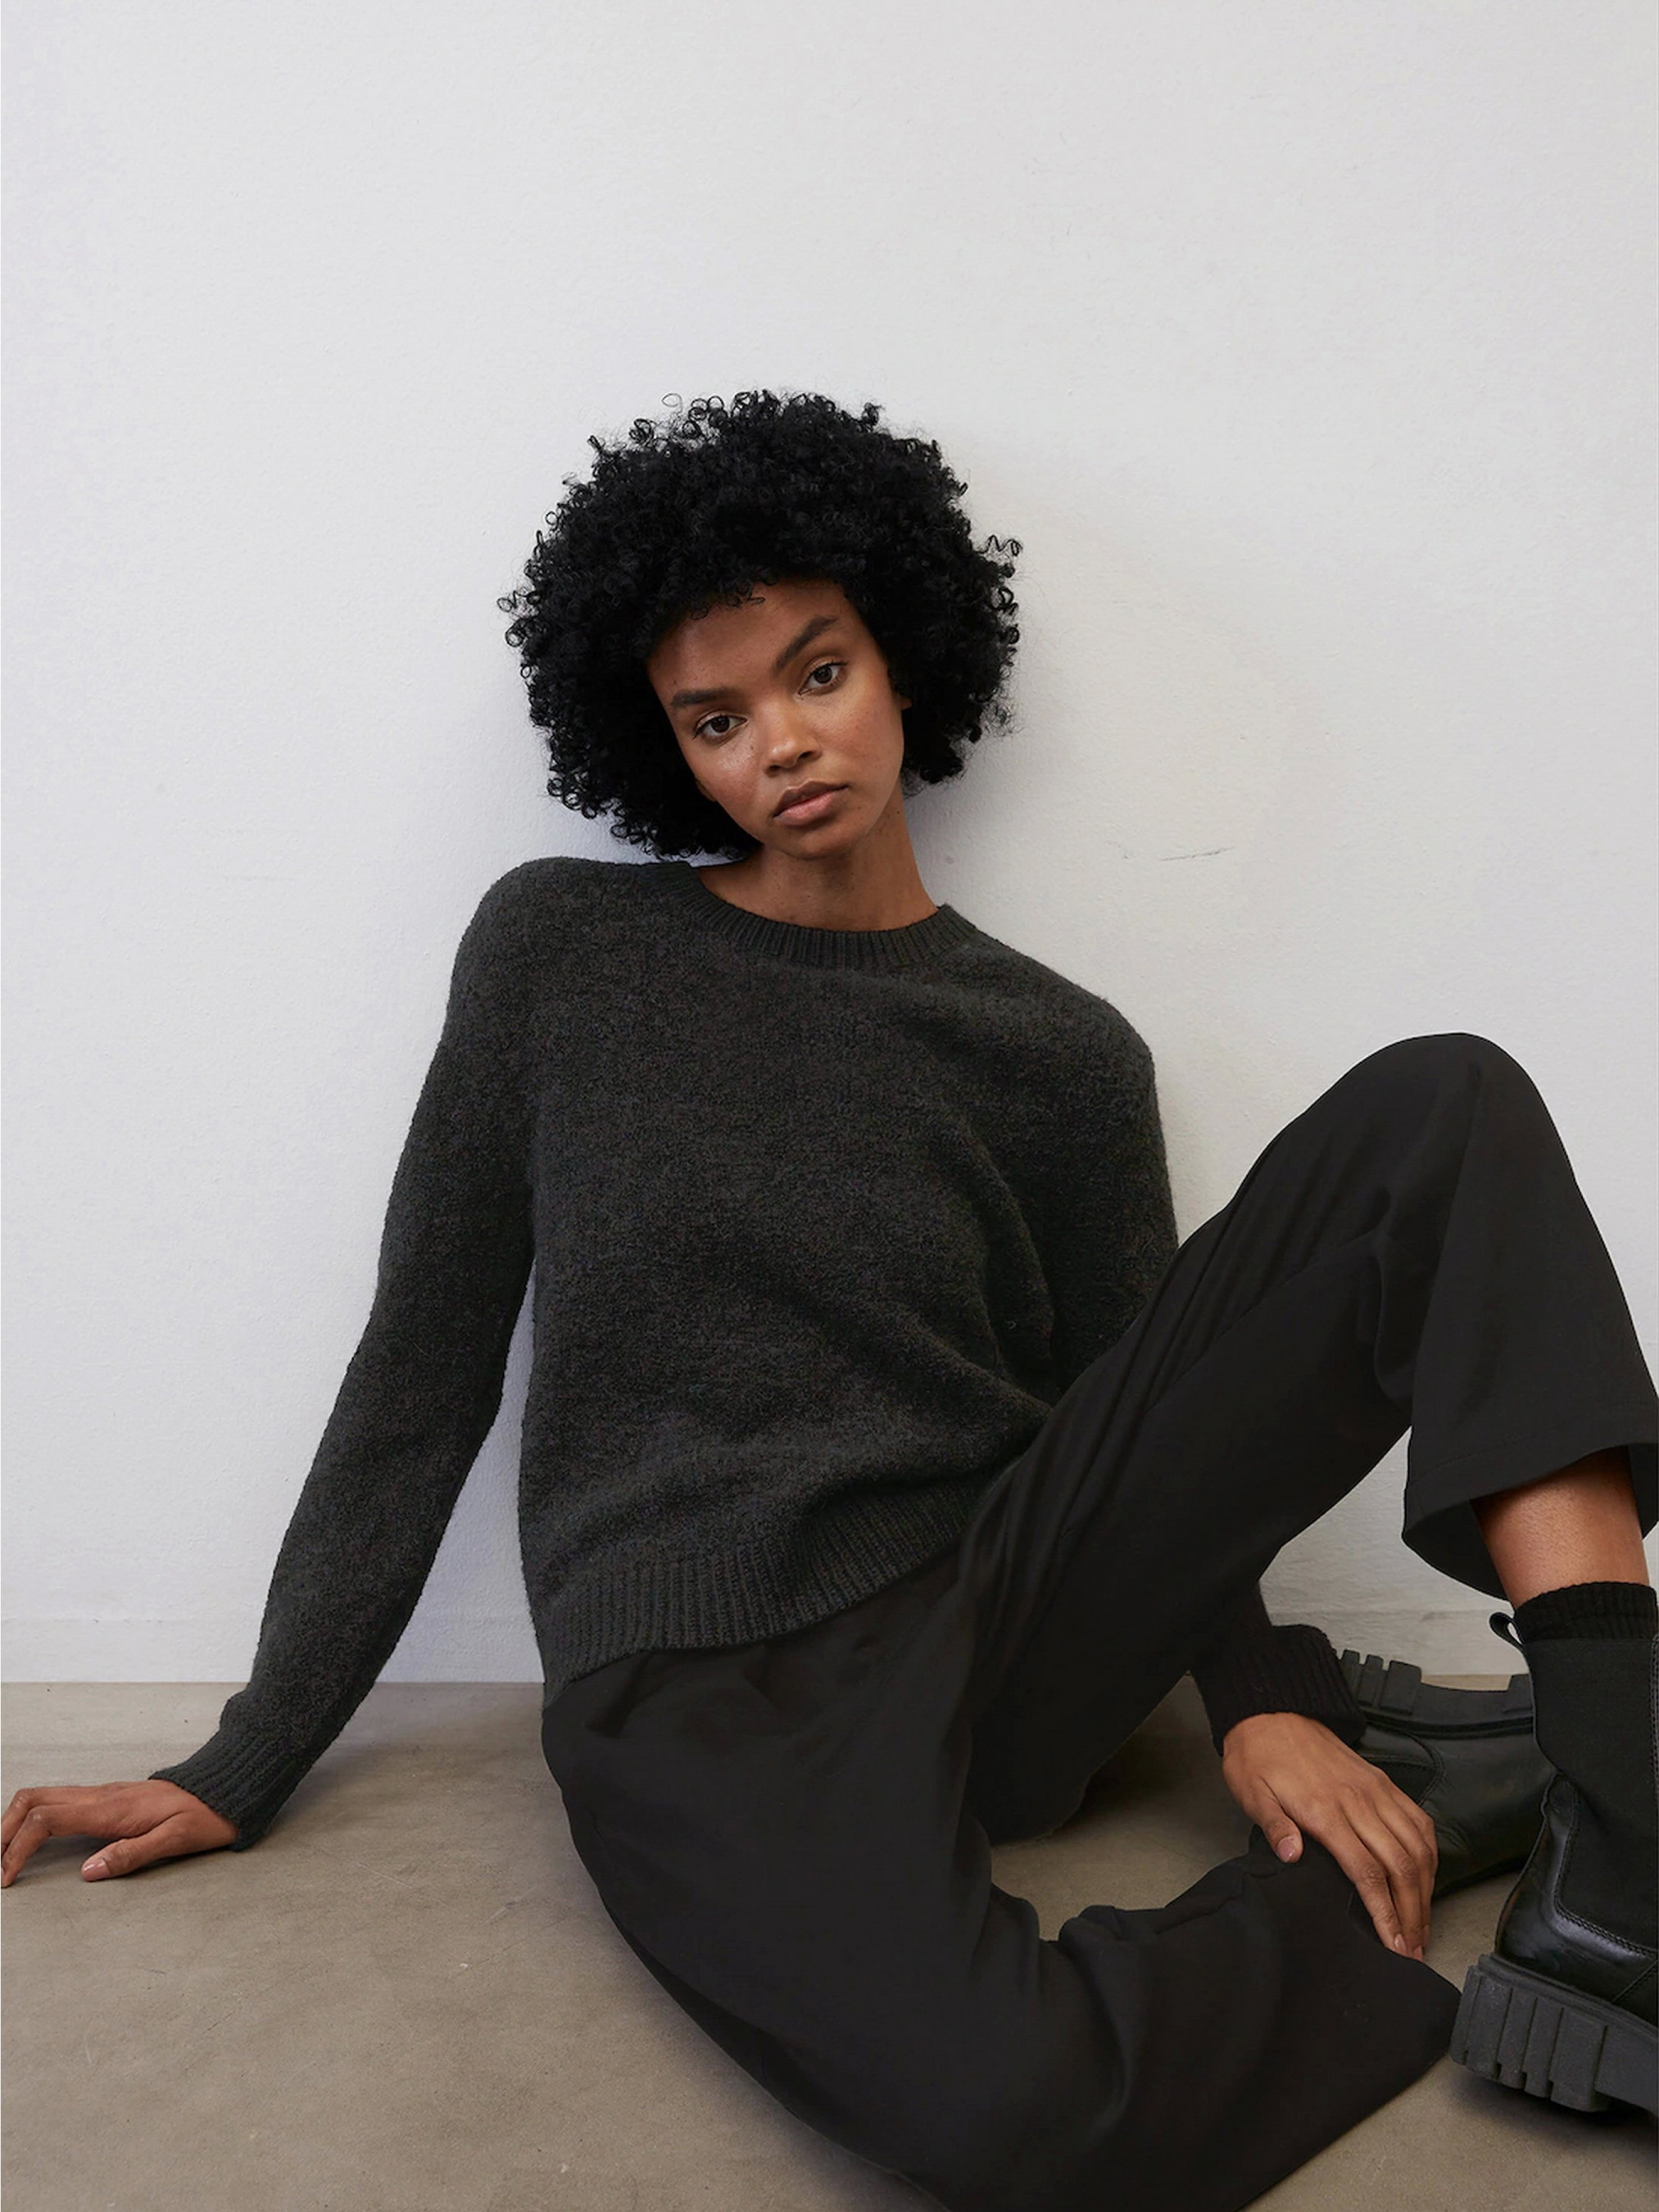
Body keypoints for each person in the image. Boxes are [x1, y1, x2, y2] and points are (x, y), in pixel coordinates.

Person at [5, 392, 1655, 2210]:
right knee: (1015, 2119)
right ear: (664, 750)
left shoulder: (1058, 1052)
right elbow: (421, 1367)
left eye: (815, 671)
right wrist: (249, 1751)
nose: (780, 744)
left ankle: (1626, 1816)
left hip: (1003, 1625)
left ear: (901, 659)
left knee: (1444, 1106)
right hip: (700, 1685)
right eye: (713, 719)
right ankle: (1437, 1825)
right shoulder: (562, 953)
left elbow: (1152, 1413)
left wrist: (1253, 1694)